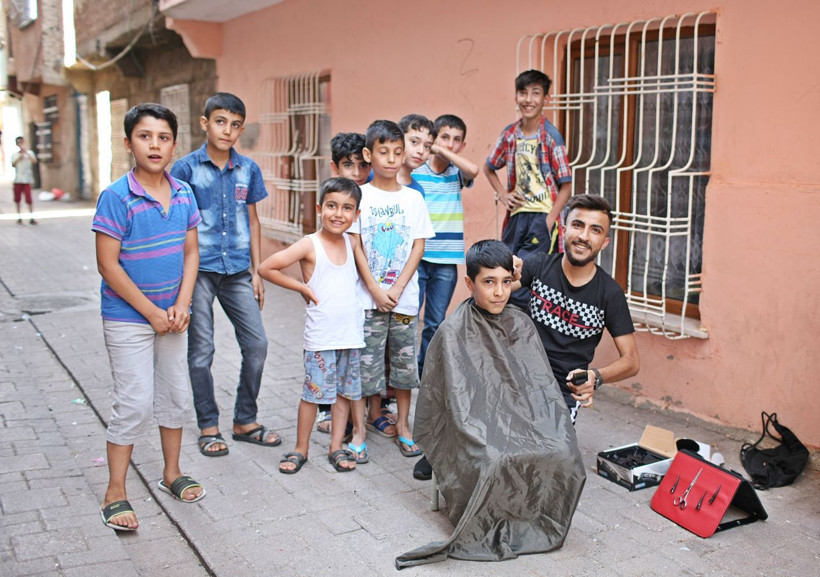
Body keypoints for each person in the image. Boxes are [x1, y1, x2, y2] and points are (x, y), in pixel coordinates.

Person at [397, 240, 585, 568]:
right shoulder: (453, 331)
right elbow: (453, 400)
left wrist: (542, 422)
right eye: (489, 282)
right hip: (474, 423)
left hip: (524, 418)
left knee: (564, 452)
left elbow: (539, 386)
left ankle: (531, 515)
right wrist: (489, 426)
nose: (499, 292)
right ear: (470, 283)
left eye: (506, 282)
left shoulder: (521, 323)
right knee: (493, 457)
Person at [92, 103, 205, 532]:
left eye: (163, 137)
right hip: (129, 317)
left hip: (174, 316)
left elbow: (191, 252)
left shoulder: (183, 193)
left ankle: (171, 473)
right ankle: (115, 491)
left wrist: (182, 303)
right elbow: (109, 265)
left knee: (176, 396)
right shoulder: (117, 196)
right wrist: (152, 313)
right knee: (135, 402)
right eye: (144, 136)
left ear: (174, 144)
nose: (154, 144)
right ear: (128, 143)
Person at [170, 92, 280, 457]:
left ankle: (245, 420)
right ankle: (208, 426)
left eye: (235, 125)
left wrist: (258, 271)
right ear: (205, 123)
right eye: (220, 122)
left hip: (237, 272)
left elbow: (252, 220)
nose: (227, 130)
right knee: (202, 350)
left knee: (258, 345)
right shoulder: (185, 170)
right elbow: (176, 223)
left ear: (241, 129)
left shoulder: (248, 169)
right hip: (198, 271)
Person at [258, 177, 365, 474]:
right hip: (321, 338)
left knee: (343, 394)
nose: (338, 214)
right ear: (319, 208)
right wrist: (301, 288)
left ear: (356, 215)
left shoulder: (351, 241)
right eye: (331, 206)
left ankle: (335, 447)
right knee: (313, 395)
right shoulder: (310, 244)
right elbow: (266, 267)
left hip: (351, 335)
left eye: (347, 208)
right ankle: (300, 448)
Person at [348, 119, 434, 462]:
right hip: (367, 301)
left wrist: (396, 287)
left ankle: (404, 426)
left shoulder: (413, 199)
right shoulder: (360, 196)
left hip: (403, 301)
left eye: (398, 152)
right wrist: (373, 287)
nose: (391, 159)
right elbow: (354, 244)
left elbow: (418, 247)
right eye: (383, 152)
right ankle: (358, 429)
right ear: (369, 154)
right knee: (365, 367)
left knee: (402, 367)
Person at [513, 194, 640, 423]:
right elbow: (493, 290)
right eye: (578, 225)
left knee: (544, 455)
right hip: (517, 375)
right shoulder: (539, 266)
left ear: (605, 242)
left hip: (562, 393)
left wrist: (596, 377)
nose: (583, 236)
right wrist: (501, 269)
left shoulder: (610, 294)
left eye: (595, 230)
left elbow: (631, 361)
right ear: (564, 230)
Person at [483, 69, 573, 309]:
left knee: (525, 280)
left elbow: (566, 184)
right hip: (516, 217)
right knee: (505, 270)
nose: (528, 99)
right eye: (523, 93)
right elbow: (489, 166)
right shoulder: (510, 134)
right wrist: (503, 194)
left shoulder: (552, 137)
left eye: (536, 93)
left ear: (546, 99)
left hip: (541, 218)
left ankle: (521, 335)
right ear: (516, 97)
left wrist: (550, 219)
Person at [413, 114, 479, 377]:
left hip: (445, 263)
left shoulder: (457, 175)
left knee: (434, 323)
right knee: (406, 321)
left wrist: (442, 151)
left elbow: (473, 170)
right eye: (444, 137)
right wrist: (434, 150)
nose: (450, 144)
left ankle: (424, 373)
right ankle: (399, 377)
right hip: (416, 259)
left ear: (462, 146)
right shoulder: (417, 172)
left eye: (456, 140)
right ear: (433, 138)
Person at [11, 136, 38, 224]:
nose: (20, 144)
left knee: (29, 198)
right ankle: (19, 217)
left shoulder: (29, 153)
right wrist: (20, 157)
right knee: (17, 199)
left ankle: (31, 217)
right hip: (18, 179)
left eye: (21, 142)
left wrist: (26, 153)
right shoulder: (15, 155)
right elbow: (13, 164)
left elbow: (34, 161)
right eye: (18, 143)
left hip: (27, 179)